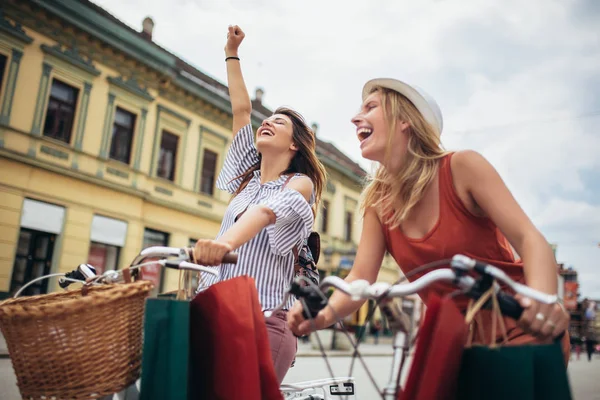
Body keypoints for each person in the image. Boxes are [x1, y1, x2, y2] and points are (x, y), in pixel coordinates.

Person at [287, 77, 571, 363]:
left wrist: (541, 300)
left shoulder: (462, 167)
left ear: (404, 120)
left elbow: (529, 239)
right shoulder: (378, 202)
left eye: (370, 107)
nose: (355, 118)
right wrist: (321, 314)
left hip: (518, 329)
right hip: (453, 345)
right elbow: (360, 278)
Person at [193, 25, 326, 384]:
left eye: (278, 122)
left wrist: (222, 245)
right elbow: (241, 109)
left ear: (295, 145)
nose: (266, 122)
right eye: (267, 120)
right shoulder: (247, 180)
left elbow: (265, 213)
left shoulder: (299, 185)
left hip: (263, 319)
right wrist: (231, 52)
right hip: (215, 311)